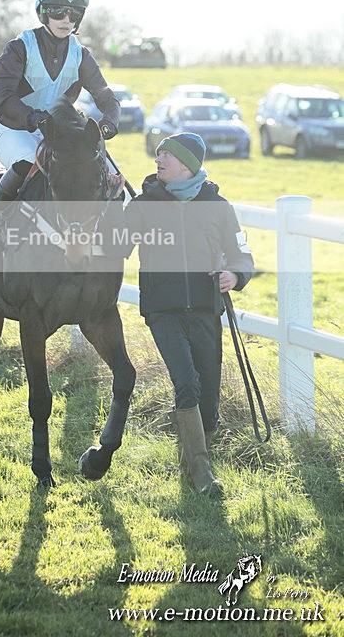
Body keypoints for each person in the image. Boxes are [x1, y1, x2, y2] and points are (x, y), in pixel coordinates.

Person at [123, 133, 254, 496]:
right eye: (158, 154)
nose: (158, 160)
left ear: (187, 165)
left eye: (166, 155)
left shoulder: (218, 205)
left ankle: (193, 458)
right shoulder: (143, 204)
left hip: (206, 311)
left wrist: (235, 274)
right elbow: (116, 246)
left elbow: (241, 253)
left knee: (209, 392)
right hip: (163, 310)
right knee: (186, 381)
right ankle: (201, 474)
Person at [0, 0, 121, 249]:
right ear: (43, 12)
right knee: (27, 163)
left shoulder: (81, 55)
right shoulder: (20, 48)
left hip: (59, 135)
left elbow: (106, 97)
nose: (66, 20)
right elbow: (1, 95)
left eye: (73, 13)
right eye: (58, 12)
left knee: (112, 178)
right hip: (16, 128)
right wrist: (31, 117)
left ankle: (109, 239)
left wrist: (109, 123)